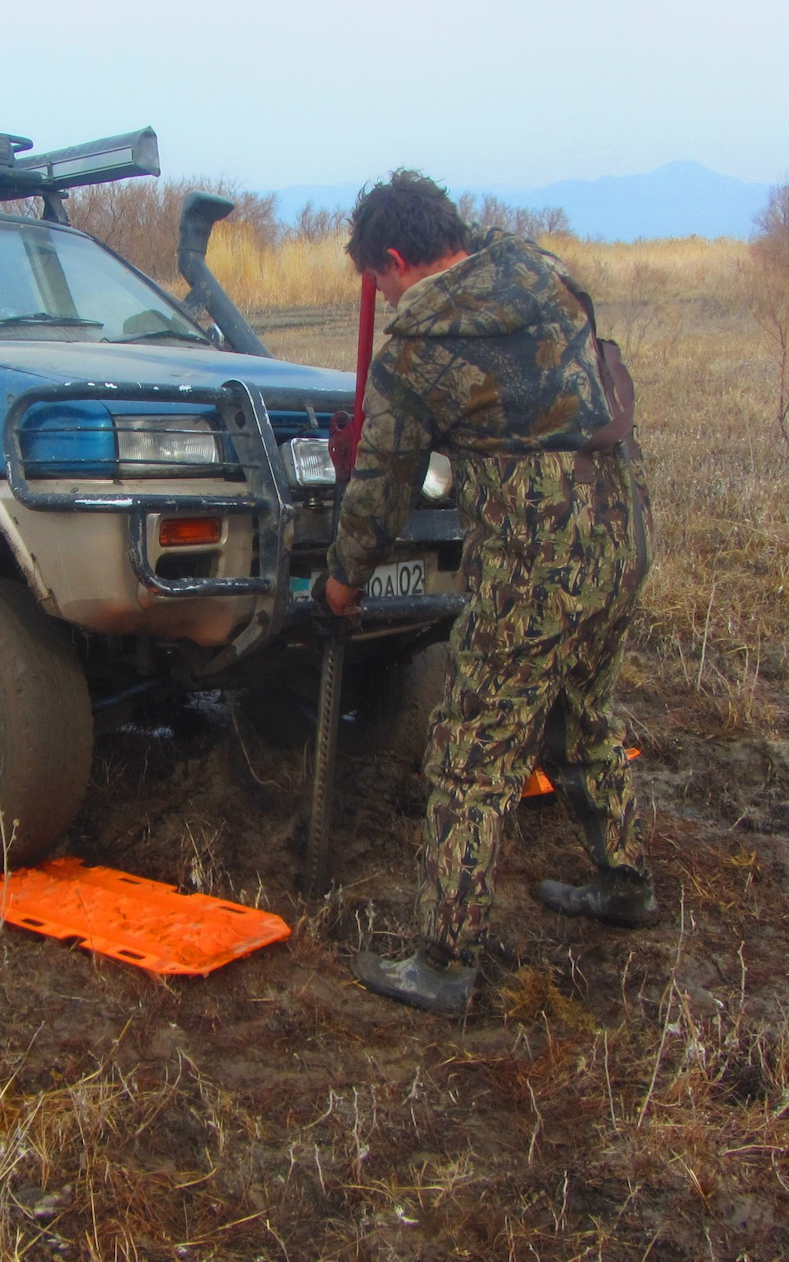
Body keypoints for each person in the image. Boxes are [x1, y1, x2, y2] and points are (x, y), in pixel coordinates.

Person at [324, 171, 656, 1017]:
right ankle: (625, 881)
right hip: (621, 527)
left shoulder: (417, 345)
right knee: (588, 711)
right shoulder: (541, 269)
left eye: (381, 279)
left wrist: (341, 579)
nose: (385, 295)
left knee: (473, 751)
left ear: (397, 259)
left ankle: (442, 960)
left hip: (536, 558)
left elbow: (381, 486)